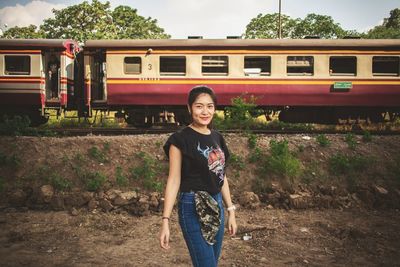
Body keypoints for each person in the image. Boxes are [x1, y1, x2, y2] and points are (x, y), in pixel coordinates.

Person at [159, 85, 237, 267]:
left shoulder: (217, 138)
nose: (205, 111)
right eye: (199, 106)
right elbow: (173, 180)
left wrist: (231, 210)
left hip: (216, 204)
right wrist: (165, 221)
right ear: (189, 108)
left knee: (211, 263)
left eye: (210, 106)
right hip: (192, 206)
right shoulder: (180, 139)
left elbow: (221, 175)